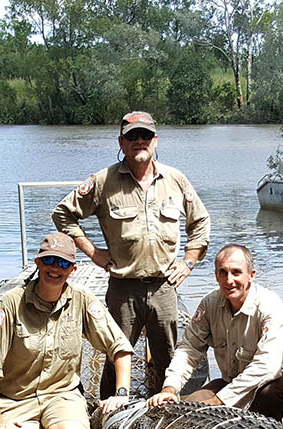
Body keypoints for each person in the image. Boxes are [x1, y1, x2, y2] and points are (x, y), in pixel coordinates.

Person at [52, 110, 210, 396]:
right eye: (132, 136)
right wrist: (92, 252)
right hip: (123, 288)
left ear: (155, 140)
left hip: (165, 287)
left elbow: (200, 222)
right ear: (121, 142)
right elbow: (63, 214)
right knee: (117, 356)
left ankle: (164, 419)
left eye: (145, 135)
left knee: (168, 361)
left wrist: (188, 262)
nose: (140, 141)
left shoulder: (175, 179)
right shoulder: (103, 181)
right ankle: (110, 420)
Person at [0, 233, 134, 429]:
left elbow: (119, 346)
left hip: (61, 395)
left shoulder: (82, 299)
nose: (55, 268)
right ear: (38, 262)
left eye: (62, 264)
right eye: (49, 260)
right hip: (18, 400)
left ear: (72, 269)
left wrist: (122, 392)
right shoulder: (11, 303)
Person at [147, 244, 283, 420]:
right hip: (233, 380)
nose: (229, 281)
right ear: (216, 276)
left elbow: (268, 366)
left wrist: (220, 400)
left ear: (251, 275)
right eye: (223, 272)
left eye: (236, 272)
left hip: (280, 378)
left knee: (268, 394)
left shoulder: (269, 304)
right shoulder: (209, 304)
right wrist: (170, 388)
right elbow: (189, 350)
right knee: (190, 409)